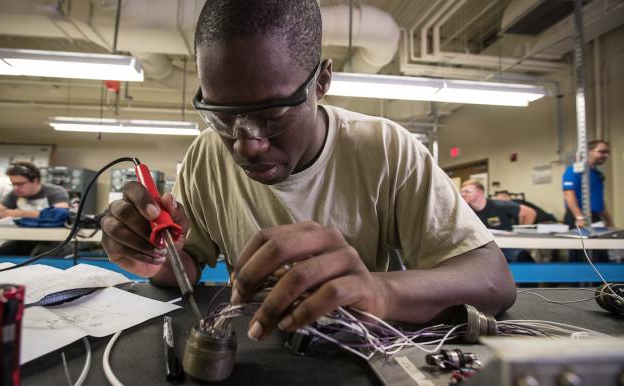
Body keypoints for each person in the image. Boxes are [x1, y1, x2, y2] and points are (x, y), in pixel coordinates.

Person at [101, 0, 516, 342]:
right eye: (222, 117)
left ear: (321, 82)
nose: (246, 145)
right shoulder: (207, 156)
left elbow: (493, 280)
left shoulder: (385, 149)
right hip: (252, 348)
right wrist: (151, 252)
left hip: (355, 347)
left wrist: (380, 291)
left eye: (273, 115)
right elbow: (186, 264)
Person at [0, 162, 70, 256]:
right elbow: (0, 209)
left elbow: (60, 215)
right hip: (24, 239)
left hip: (53, 241)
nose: (16, 188)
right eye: (13, 184)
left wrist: (20, 214)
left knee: (37, 261)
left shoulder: (55, 191)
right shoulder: (15, 194)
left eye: (20, 184)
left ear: (35, 180)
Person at [562, 140, 614, 229]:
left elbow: (599, 201)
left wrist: (610, 222)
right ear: (588, 152)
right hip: (578, 218)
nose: (606, 155)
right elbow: (568, 194)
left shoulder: (597, 174)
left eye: (607, 152)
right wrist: (579, 217)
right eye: (601, 152)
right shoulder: (573, 171)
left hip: (595, 217)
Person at [461, 181, 536, 231]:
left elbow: (530, 213)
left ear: (480, 192)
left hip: (506, 245)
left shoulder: (500, 205)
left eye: (467, 191)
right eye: (462, 192)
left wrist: (521, 233)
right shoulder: (466, 211)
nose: (463, 194)